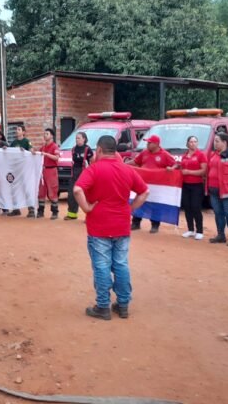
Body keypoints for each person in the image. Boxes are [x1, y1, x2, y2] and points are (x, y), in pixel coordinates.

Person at [73, 136, 149, 320]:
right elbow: (144, 191)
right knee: (121, 264)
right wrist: (130, 209)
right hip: (121, 224)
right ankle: (122, 305)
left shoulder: (94, 169)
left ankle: (103, 306)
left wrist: (86, 208)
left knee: (101, 266)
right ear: (115, 151)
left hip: (99, 225)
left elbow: (77, 190)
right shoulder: (126, 169)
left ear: (98, 150)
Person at [128, 134, 176, 233]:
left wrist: (171, 168)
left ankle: (155, 225)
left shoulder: (164, 154)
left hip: (157, 185)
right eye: (147, 142)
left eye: (149, 143)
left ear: (156, 144)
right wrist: (124, 164)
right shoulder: (144, 152)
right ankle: (136, 223)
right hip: (143, 183)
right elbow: (136, 161)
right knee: (139, 202)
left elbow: (175, 164)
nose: (147, 144)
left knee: (155, 204)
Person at [178, 136, 207, 240]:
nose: (193, 143)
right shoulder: (185, 155)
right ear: (187, 144)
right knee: (187, 207)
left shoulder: (201, 155)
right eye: (191, 142)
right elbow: (181, 168)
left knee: (196, 207)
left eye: (195, 142)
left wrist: (189, 172)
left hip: (197, 185)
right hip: (186, 185)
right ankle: (190, 229)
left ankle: (199, 231)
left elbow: (203, 171)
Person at [6, 125, 35, 217]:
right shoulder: (13, 142)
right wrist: (5, 149)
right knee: (14, 189)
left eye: (19, 130)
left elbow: (32, 151)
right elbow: (10, 153)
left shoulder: (26, 141)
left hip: (24, 169)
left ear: (23, 132)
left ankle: (31, 210)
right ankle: (16, 209)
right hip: (15, 169)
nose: (17, 131)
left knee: (26, 189)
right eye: (16, 130)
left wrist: (25, 151)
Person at [65, 132, 93, 221]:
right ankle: (72, 214)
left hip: (84, 174)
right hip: (74, 173)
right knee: (71, 193)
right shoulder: (73, 149)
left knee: (85, 195)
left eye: (79, 138)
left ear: (84, 139)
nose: (77, 140)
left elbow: (92, 163)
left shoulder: (87, 149)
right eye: (76, 138)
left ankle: (89, 215)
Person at [36, 128, 61, 219]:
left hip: (51, 170)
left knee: (52, 191)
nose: (44, 135)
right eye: (44, 134)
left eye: (46, 134)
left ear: (51, 136)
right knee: (41, 191)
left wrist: (46, 154)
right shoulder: (43, 147)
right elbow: (38, 155)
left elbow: (56, 158)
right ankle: (40, 211)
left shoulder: (54, 146)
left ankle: (55, 212)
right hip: (43, 170)